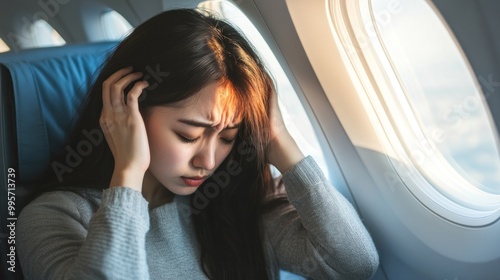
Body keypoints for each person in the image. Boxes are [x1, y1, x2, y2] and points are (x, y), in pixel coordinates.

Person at [17, 8, 379, 280]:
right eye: (187, 135)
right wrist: (128, 173)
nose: (208, 161)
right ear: (128, 116)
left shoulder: (237, 199)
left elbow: (355, 263)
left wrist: (278, 140)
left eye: (227, 138)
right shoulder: (55, 216)